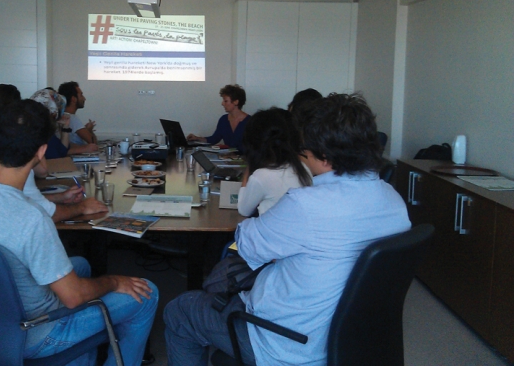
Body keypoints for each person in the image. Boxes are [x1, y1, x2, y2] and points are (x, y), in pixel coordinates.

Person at [0, 99, 158, 366]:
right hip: (33, 332)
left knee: (80, 266)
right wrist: (115, 281)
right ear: (41, 151)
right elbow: (73, 298)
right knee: (147, 293)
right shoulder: (31, 219)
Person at [164, 93, 411, 366]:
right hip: (349, 339)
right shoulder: (394, 202)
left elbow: (246, 244)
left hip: (287, 341)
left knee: (181, 310)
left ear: (324, 155)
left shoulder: (306, 205)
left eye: (305, 148)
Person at [0, 84, 106, 223]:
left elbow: (25, 199)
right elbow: (46, 213)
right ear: (41, 150)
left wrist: (61, 196)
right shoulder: (18, 166)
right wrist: (82, 207)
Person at [238, 107, 312, 217]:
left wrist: (248, 169)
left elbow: (243, 210)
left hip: (269, 226)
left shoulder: (260, 176)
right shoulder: (303, 168)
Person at [30, 88, 96, 159]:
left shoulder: (47, 130)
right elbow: (56, 154)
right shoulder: (38, 132)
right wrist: (84, 148)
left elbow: (63, 150)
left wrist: (65, 127)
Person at [187, 84, 251, 154]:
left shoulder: (250, 122)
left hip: (245, 159)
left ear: (236, 102)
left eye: (225, 101)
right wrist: (197, 138)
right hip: (228, 159)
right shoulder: (223, 119)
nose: (222, 103)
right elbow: (214, 139)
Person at [58, 81, 98, 150]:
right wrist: (89, 130)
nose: (84, 98)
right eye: (81, 95)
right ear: (73, 99)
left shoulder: (61, 116)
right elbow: (93, 143)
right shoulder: (72, 118)